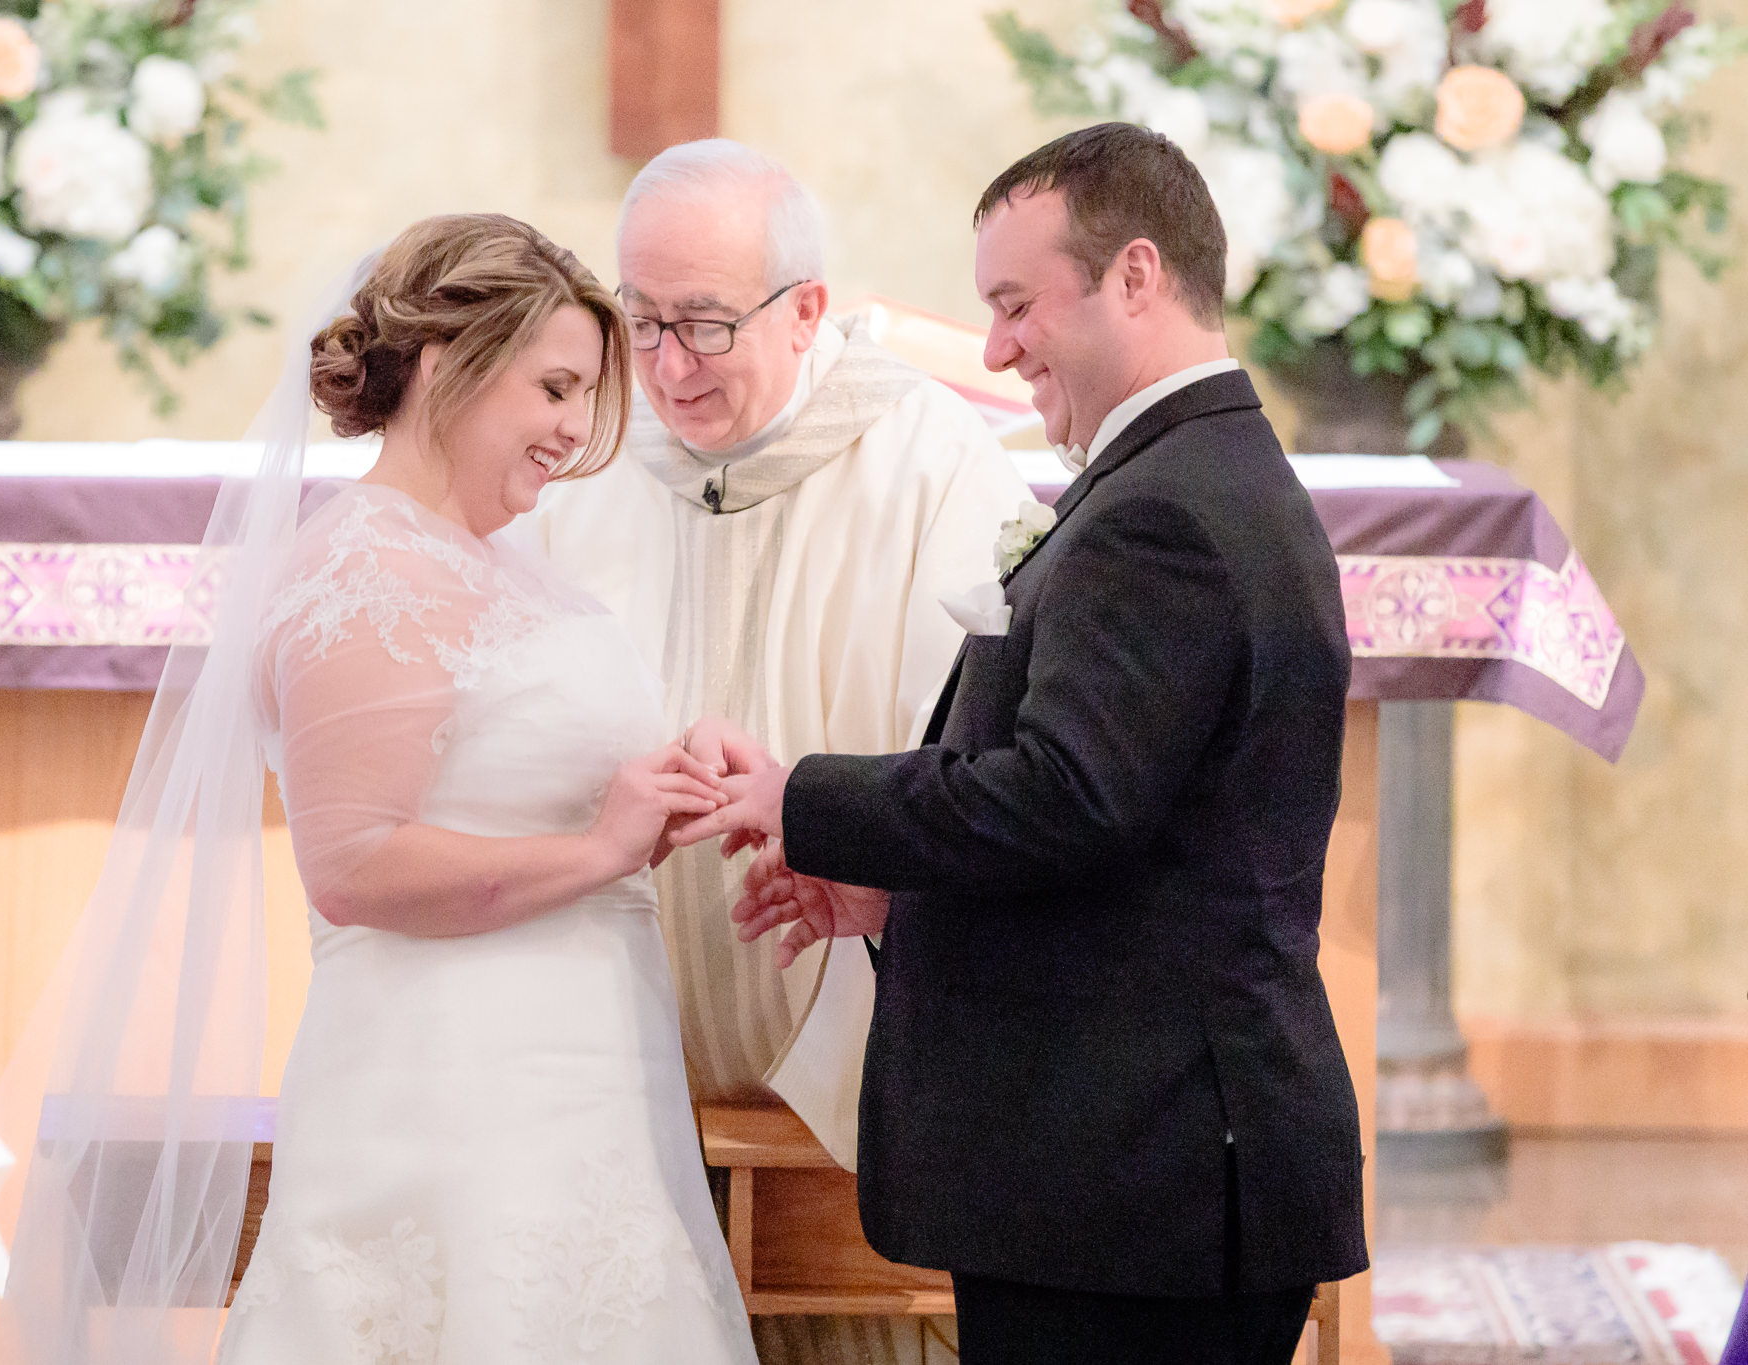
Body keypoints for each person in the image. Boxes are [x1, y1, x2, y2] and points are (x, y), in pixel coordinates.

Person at [676, 124, 1370, 1364]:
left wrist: (801, 798)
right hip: (1132, 1172)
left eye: (1013, 304)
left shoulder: (1162, 510)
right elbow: (1142, 848)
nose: (992, 348)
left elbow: (1067, 794)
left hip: (1132, 1177)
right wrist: (895, 905)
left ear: (1136, 276)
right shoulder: (1190, 475)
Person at [208, 215, 758, 1362]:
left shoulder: (498, 560)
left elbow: (525, 793)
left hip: (575, 1081)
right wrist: (600, 849)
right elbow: (354, 865)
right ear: (451, 365)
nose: (574, 428)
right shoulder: (367, 570)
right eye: (554, 387)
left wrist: (656, 792)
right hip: (449, 1097)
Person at [531, 139, 1030, 1364]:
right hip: (604, 1051)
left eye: (702, 324)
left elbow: (975, 748)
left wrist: (832, 825)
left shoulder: (925, 459)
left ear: (807, 309)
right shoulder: (581, 460)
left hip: (849, 1040)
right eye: (636, 321)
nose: (664, 366)